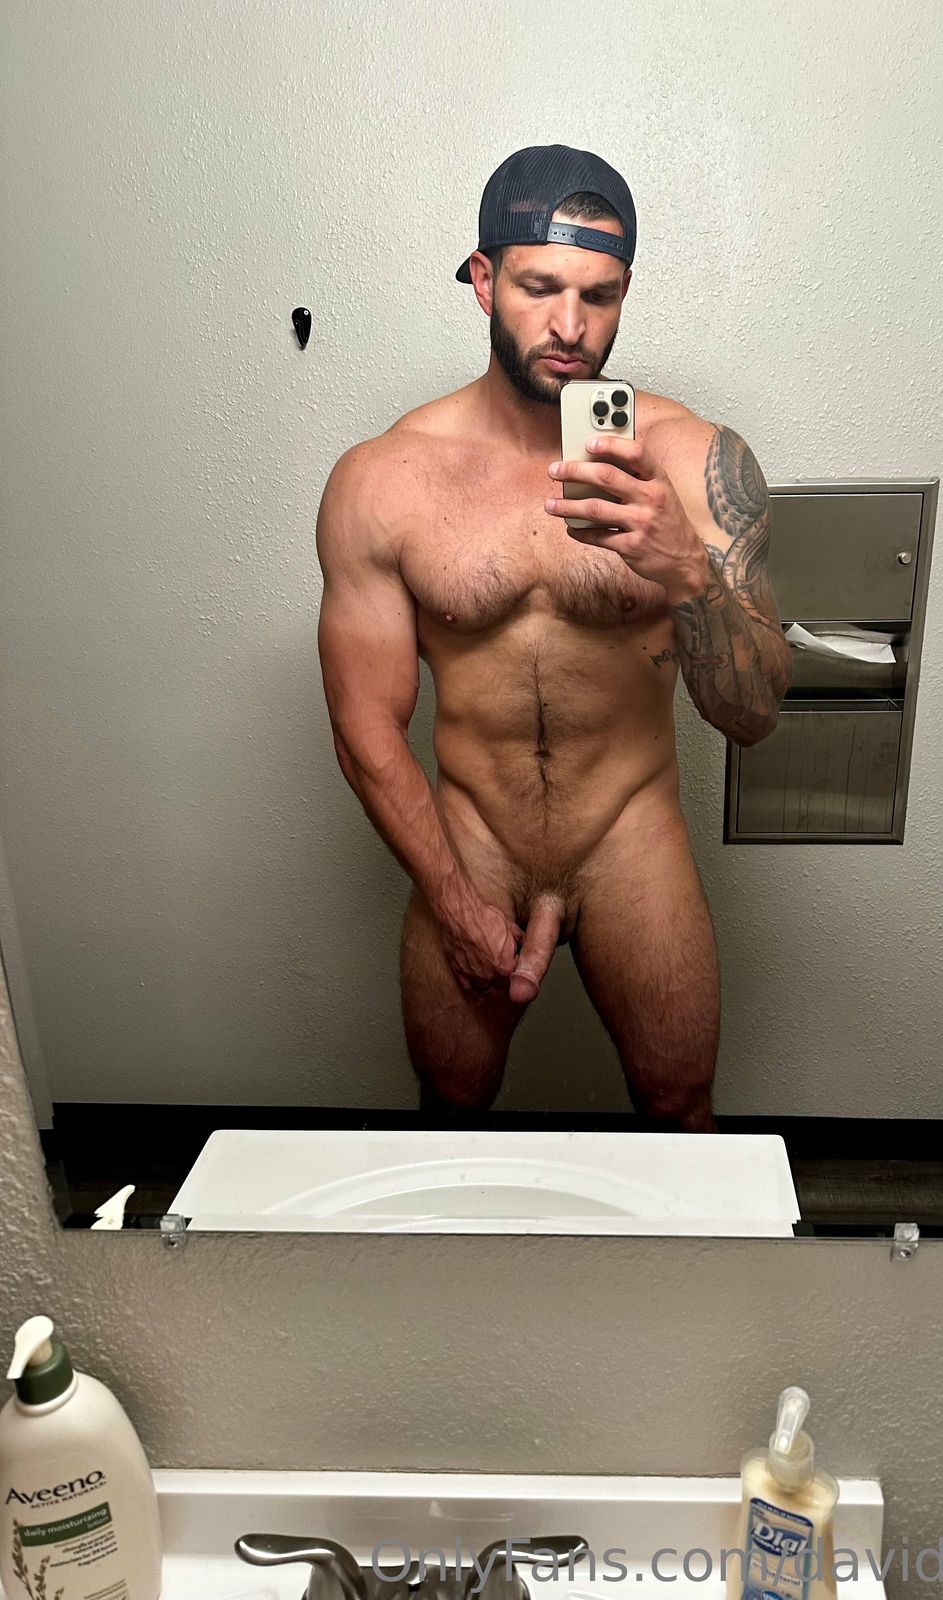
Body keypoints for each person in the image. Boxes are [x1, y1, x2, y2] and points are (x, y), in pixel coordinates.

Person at [316, 144, 791, 1130]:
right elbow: (366, 728)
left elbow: (753, 713)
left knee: (681, 1105)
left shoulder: (692, 460)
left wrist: (685, 569)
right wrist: (453, 898)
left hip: (630, 832)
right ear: (484, 280)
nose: (571, 327)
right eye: (540, 288)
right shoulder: (385, 479)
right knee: (451, 1111)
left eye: (599, 295)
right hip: (472, 835)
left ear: (625, 294)